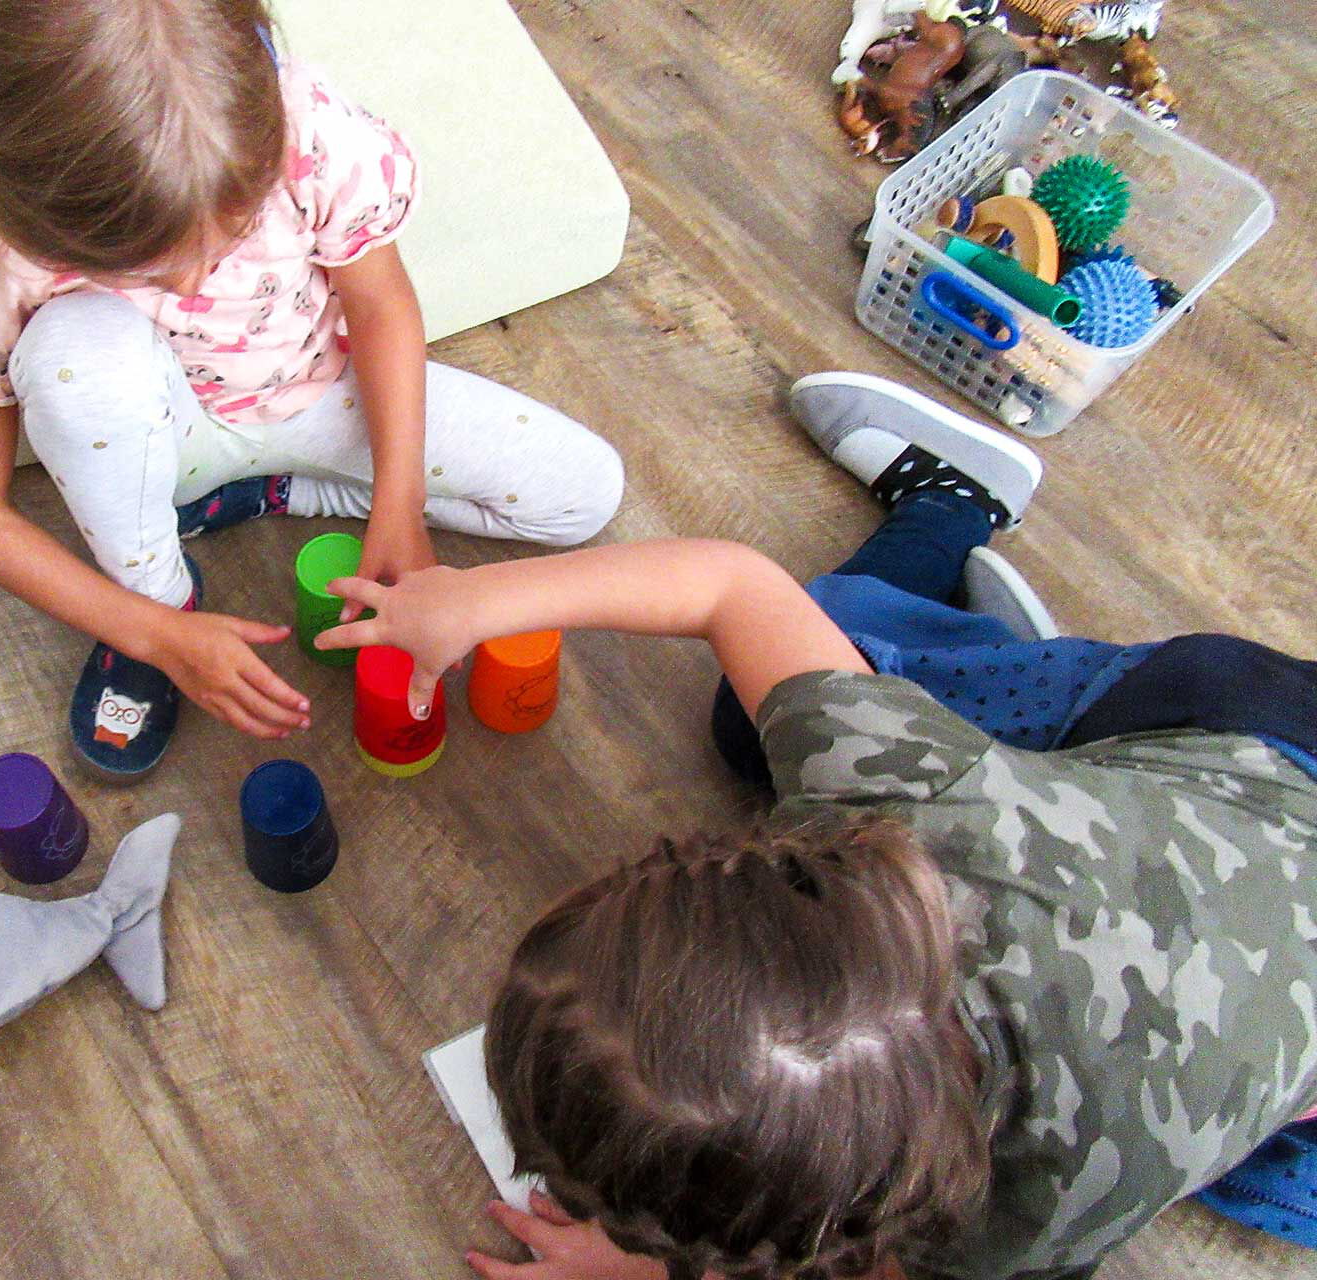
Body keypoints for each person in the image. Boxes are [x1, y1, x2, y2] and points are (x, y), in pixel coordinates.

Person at [315, 373, 1317, 1280]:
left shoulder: (1027, 1213)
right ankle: (964, 546)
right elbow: (731, 585)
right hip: (1251, 744)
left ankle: (972, 586)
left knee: (1269, 1186)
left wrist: (647, 1271)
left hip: (1208, 863)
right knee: (763, 696)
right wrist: (475, 601)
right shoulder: (904, 797)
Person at [0, 0, 624, 779]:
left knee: (582, 494)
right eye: (140, 269)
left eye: (230, 232)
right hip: (160, 443)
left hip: (318, 396)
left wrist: (398, 502)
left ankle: (271, 494)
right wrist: (151, 632)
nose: (194, 282)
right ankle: (162, 591)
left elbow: (379, 304)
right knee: (77, 358)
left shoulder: (313, 133)